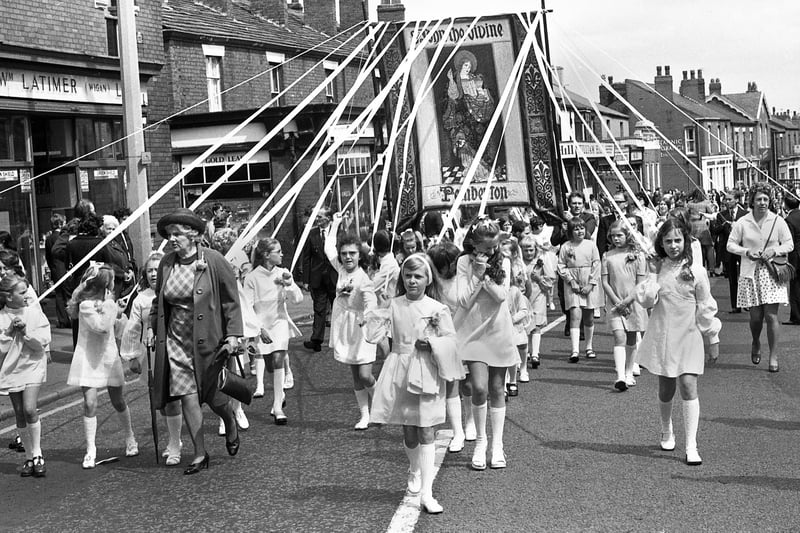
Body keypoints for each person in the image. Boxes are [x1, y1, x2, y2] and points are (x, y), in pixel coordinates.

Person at [147, 208, 243, 475]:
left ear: (194, 236)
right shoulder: (167, 263)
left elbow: (231, 301)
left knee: (216, 399)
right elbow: (159, 300)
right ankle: (200, 453)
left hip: (209, 341)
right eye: (169, 234)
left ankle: (229, 421)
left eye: (177, 234)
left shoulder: (213, 260)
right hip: (176, 342)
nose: (172, 239)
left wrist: (234, 334)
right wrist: (152, 326)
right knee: (187, 397)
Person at [365, 253, 461, 515]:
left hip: (427, 371)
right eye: (407, 275)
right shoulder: (394, 304)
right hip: (401, 369)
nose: (412, 281)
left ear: (427, 278)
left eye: (418, 276)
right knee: (409, 431)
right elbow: (372, 336)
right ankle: (414, 469)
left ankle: (427, 493)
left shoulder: (436, 308)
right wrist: (379, 308)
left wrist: (432, 343)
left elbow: (452, 341)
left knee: (427, 430)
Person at [636, 218, 720, 465]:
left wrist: (712, 336)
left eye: (677, 240)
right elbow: (647, 300)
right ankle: (666, 429)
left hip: (689, 335)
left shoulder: (697, 271)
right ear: (661, 243)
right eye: (668, 241)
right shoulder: (658, 269)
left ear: (686, 241)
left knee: (688, 385)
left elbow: (705, 306)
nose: (673, 245)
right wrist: (652, 272)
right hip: (663, 336)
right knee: (666, 388)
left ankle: (691, 445)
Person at [454, 218, 517, 470]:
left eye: (493, 247)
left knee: (497, 388)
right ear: (473, 244)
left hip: (498, 330)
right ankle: (481, 441)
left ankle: (497, 445)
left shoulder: (504, 261)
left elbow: (502, 296)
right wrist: (477, 275)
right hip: (472, 331)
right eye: (485, 248)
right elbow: (462, 300)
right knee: (478, 387)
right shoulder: (462, 262)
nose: (490, 252)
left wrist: (486, 277)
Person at [66, 263, 138, 469]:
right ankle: (91, 449)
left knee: (118, 401)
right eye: (113, 281)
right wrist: (111, 308)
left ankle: (130, 437)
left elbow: (117, 329)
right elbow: (101, 327)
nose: (115, 285)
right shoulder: (86, 306)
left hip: (108, 357)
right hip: (88, 358)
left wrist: (119, 314)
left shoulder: (108, 303)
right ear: (104, 283)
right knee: (90, 403)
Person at [119, 251, 184, 467]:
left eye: (158, 269)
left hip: (175, 350)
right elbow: (132, 328)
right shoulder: (141, 298)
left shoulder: (176, 292)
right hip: (152, 353)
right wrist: (131, 357)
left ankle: (175, 444)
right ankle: (174, 439)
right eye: (150, 270)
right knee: (161, 403)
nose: (154, 274)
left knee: (173, 398)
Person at [727, 183, 793, 373]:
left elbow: (789, 244)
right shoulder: (743, 222)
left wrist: (774, 250)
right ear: (752, 201)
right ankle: (756, 341)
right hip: (750, 272)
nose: (762, 203)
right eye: (759, 199)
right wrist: (747, 251)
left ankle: (773, 356)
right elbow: (730, 245)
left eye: (765, 199)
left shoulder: (777, 220)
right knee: (756, 317)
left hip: (771, 272)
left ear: (769, 201)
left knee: (771, 316)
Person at [324, 213, 378, 430]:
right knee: (355, 374)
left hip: (362, 327)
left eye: (352, 254)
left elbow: (370, 300)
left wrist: (368, 315)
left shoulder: (364, 277)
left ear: (359, 255)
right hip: (344, 326)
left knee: (365, 375)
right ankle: (365, 415)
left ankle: (382, 405)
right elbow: (328, 247)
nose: (347, 257)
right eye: (344, 253)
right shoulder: (339, 268)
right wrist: (335, 223)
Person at [243, 238, 303, 426]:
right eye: (278, 251)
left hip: (280, 322)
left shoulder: (284, 273)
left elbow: (298, 299)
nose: (282, 254)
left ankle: (278, 407)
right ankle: (280, 393)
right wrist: (259, 330)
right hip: (262, 325)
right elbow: (248, 307)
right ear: (267, 255)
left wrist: (290, 284)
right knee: (270, 366)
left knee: (278, 359)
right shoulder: (252, 277)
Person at [0, 272, 52, 477]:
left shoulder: (34, 313)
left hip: (32, 364)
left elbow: (41, 343)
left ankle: (38, 454)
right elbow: (2, 350)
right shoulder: (2, 318)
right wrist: (10, 332)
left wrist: (25, 333)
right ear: (8, 296)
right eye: (22, 292)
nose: (27, 295)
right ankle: (29, 457)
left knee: (30, 409)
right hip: (12, 370)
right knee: (20, 413)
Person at [427, 242, 471, 452]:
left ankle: (470, 420)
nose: (446, 269)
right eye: (441, 265)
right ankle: (458, 431)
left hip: (466, 335)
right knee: (450, 384)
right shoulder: (432, 284)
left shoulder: (463, 278)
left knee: (469, 384)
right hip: (444, 339)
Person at [601, 220, 648, 391]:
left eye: (619, 235)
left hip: (633, 303)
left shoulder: (638, 255)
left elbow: (641, 282)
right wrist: (617, 301)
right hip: (615, 303)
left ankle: (629, 371)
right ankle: (620, 375)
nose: (616, 239)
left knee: (631, 337)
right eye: (613, 236)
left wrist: (627, 301)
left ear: (628, 235)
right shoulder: (607, 255)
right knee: (619, 337)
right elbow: (605, 282)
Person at [557, 217, 602, 363]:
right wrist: (571, 281)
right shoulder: (566, 246)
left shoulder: (591, 245)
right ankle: (575, 350)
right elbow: (561, 266)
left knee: (588, 317)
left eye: (582, 228)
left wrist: (591, 283)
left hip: (588, 281)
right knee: (575, 315)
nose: (579, 231)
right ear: (570, 231)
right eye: (576, 229)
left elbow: (596, 264)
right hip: (572, 283)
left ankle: (589, 347)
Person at [300, 207, 337, 352]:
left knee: (340, 308)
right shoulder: (312, 234)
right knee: (319, 309)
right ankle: (316, 340)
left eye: (320, 217)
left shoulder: (337, 233)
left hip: (335, 278)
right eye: (317, 217)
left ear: (328, 218)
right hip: (318, 279)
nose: (317, 219)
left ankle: (342, 339)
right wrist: (306, 280)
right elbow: (307, 258)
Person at [520, 235, 555, 372]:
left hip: (538, 296)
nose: (528, 253)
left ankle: (535, 354)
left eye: (531, 250)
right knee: (523, 326)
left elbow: (550, 281)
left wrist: (539, 279)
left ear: (535, 250)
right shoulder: (519, 263)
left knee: (536, 325)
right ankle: (526, 352)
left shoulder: (540, 262)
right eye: (525, 250)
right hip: (523, 298)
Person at [782, 195, 800, 325]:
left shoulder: (789, 220)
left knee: (794, 287)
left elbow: (789, 242)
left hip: (796, 258)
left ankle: (795, 316)